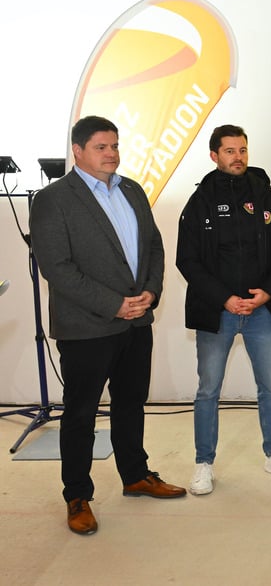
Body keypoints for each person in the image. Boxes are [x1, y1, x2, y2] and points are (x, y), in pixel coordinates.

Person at [30, 115, 186, 535]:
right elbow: (57, 268)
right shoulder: (53, 199)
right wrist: (115, 304)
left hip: (137, 322)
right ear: (78, 151)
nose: (112, 154)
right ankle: (77, 495)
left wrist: (150, 292)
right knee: (81, 414)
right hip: (87, 327)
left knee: (131, 403)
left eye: (115, 146)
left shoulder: (132, 190)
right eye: (102, 147)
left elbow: (153, 246)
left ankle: (135, 475)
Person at [176, 124, 271, 496]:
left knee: (270, 387)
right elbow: (189, 261)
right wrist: (224, 299)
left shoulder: (265, 195)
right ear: (214, 155)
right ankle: (204, 464)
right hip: (218, 313)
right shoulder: (198, 202)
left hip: (262, 310)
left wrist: (267, 293)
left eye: (243, 150)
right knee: (208, 390)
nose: (238, 157)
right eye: (230, 151)